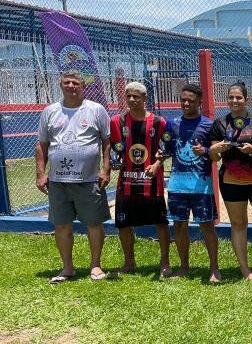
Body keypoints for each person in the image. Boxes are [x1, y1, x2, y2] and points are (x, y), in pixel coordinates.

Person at [36, 69, 112, 283]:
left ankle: (95, 265)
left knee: (94, 223)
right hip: (58, 181)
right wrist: (40, 174)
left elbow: (106, 142)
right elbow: (42, 145)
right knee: (61, 225)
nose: (71, 86)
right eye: (67, 82)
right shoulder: (50, 111)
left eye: (75, 82)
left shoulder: (96, 110)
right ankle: (67, 267)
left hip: (88, 180)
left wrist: (105, 169)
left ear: (83, 87)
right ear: (60, 86)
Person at [209, 81, 252, 280]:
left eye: (238, 97)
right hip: (232, 182)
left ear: (246, 100)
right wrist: (215, 150)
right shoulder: (220, 124)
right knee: (239, 224)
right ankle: (245, 269)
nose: (234, 100)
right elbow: (215, 158)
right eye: (231, 97)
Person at [110, 82, 171, 278]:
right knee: (124, 225)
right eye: (128, 96)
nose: (132, 100)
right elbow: (115, 149)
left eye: (136, 96)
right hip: (126, 182)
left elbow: (166, 149)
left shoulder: (159, 122)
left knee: (161, 223)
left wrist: (157, 164)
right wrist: (115, 161)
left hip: (152, 183)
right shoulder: (117, 121)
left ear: (145, 99)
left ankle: (164, 263)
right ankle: (129, 262)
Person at [161, 84, 221, 282]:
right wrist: (160, 155)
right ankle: (184, 267)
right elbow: (168, 149)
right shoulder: (172, 124)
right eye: (183, 99)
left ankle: (214, 268)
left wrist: (204, 151)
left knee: (207, 226)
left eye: (191, 101)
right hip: (177, 184)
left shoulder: (209, 124)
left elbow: (216, 155)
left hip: (201, 185)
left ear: (200, 102)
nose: (186, 103)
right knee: (179, 226)